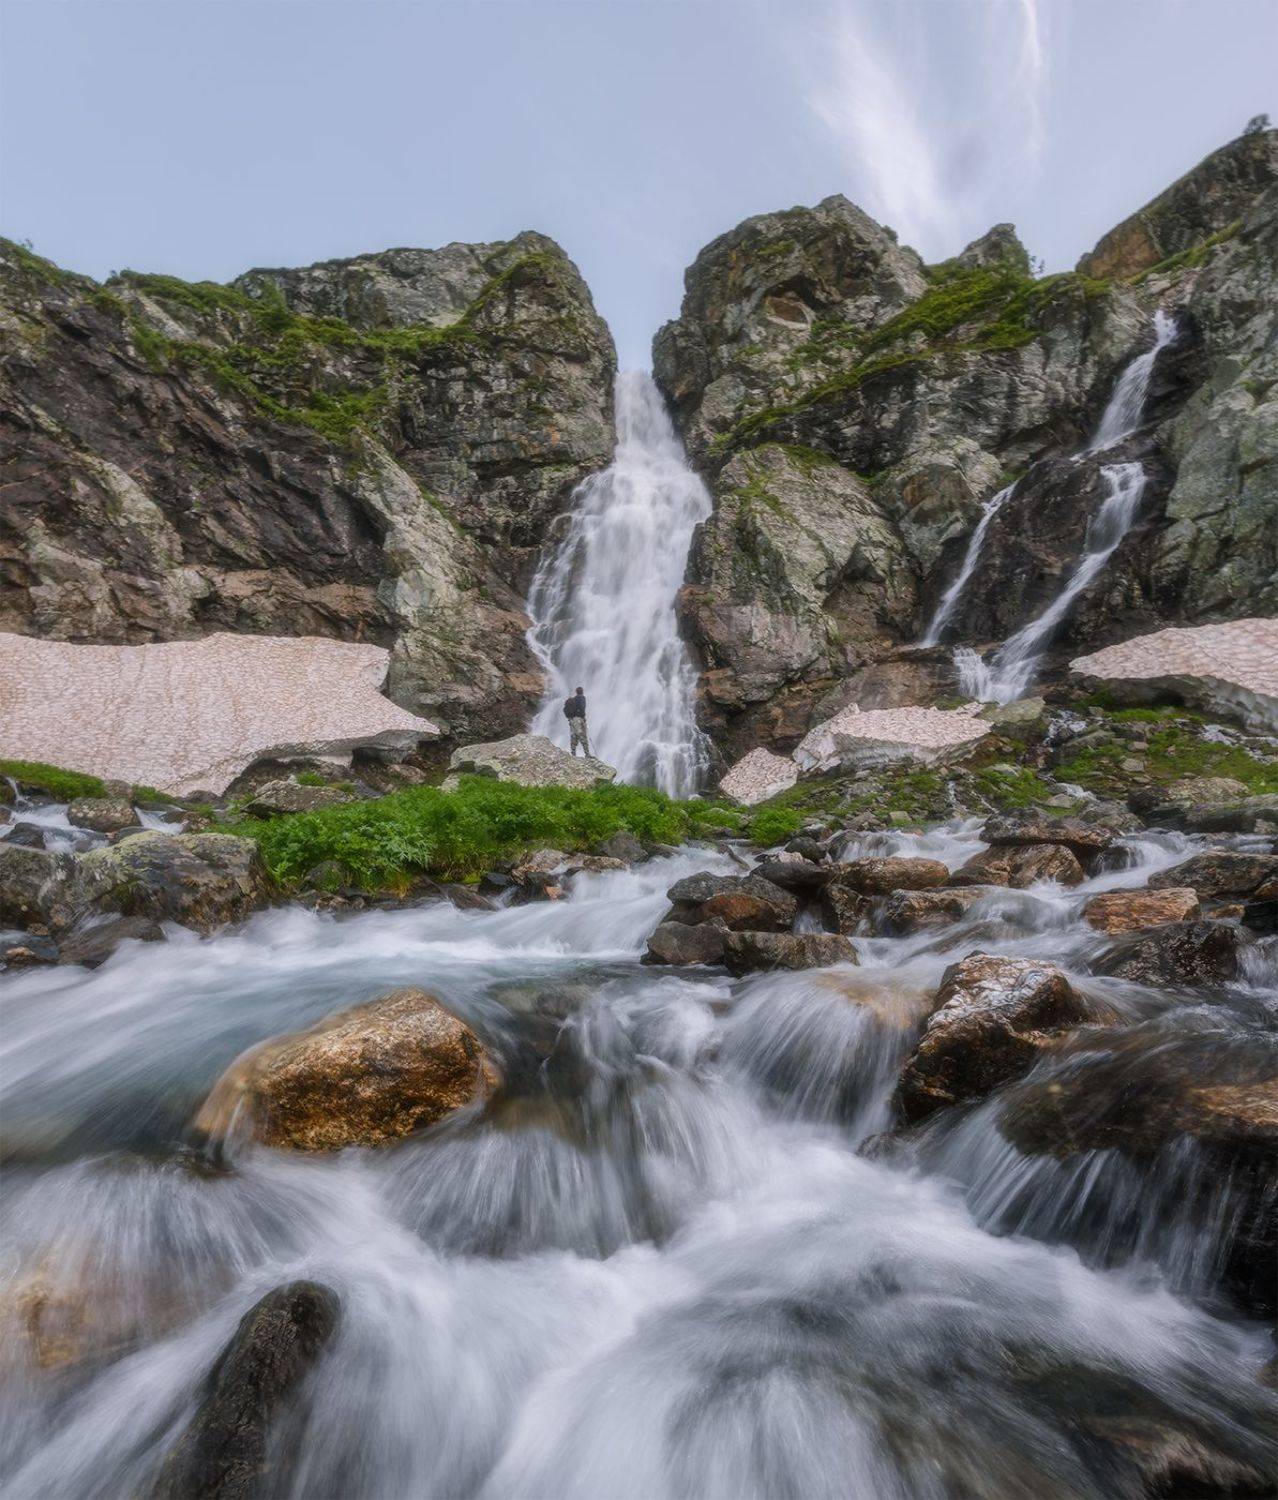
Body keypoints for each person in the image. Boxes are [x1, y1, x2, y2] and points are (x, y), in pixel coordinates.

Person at [563, 685, 590, 756]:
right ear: (582, 692)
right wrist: (583, 717)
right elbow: (582, 708)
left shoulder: (573, 700)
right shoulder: (582, 698)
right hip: (579, 719)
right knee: (582, 735)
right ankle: (587, 753)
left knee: (574, 735)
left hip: (572, 720)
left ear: (576, 692)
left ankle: (573, 752)